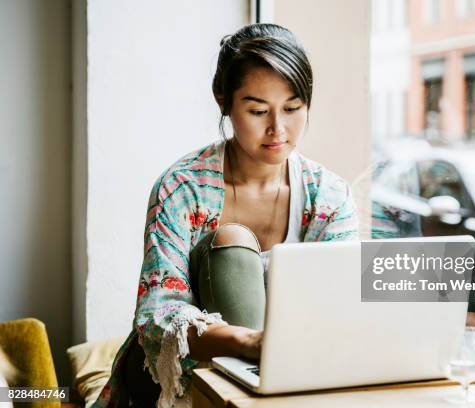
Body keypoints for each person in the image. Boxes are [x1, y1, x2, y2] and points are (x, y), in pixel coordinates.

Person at [92, 24, 359, 408]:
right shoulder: (182, 188)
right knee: (232, 244)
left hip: (285, 379)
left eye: (293, 108)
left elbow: (341, 303)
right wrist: (249, 342)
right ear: (223, 100)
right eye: (257, 110)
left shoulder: (329, 196)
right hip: (171, 380)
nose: (277, 129)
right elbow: (157, 318)